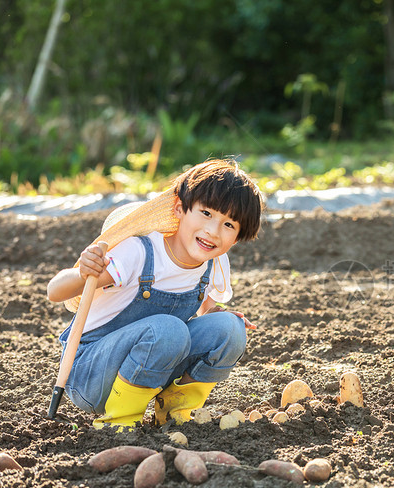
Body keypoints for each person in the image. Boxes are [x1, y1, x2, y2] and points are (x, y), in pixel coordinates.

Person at [47, 159, 263, 429]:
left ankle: (174, 414)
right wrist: (82, 272)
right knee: (169, 329)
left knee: (230, 328)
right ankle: (119, 422)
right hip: (93, 374)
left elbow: (205, 307)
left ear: (238, 236)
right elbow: (54, 291)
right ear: (179, 209)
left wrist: (216, 316)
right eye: (206, 213)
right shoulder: (139, 252)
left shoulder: (213, 263)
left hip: (152, 371)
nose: (213, 231)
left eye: (229, 225)